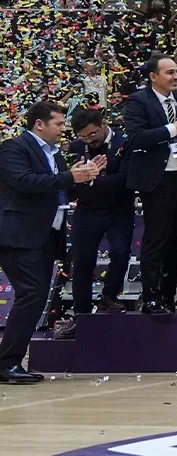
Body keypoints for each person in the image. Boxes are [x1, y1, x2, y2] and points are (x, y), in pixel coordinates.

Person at [0, 104, 97, 383]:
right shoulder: (14, 148)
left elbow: (61, 187)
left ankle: (10, 361)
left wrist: (84, 176)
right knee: (31, 292)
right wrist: (69, 177)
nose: (63, 128)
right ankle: (7, 363)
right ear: (39, 124)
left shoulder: (55, 153)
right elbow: (24, 181)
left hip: (45, 233)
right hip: (18, 233)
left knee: (36, 295)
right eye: (59, 123)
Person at [125, 54, 177, 314]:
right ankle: (153, 296)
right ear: (153, 76)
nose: (176, 76)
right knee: (157, 240)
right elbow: (136, 138)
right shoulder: (138, 101)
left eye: (176, 72)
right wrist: (173, 129)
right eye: (169, 72)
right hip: (160, 180)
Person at [62, 108, 130, 327]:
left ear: (103, 124)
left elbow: (124, 180)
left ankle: (110, 296)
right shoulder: (76, 147)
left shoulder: (124, 142)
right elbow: (70, 184)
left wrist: (90, 179)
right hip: (87, 209)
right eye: (83, 136)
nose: (89, 140)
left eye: (92, 134)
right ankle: (81, 311)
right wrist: (85, 179)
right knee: (82, 261)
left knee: (120, 252)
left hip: (119, 209)